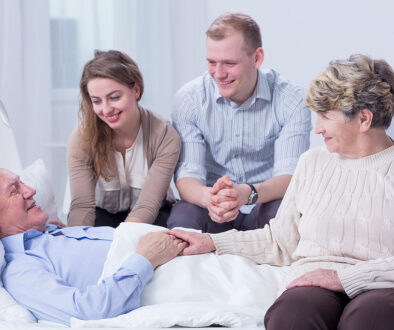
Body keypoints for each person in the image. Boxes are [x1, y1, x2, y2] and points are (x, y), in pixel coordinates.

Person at [168, 54, 394, 329]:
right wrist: (214, 243)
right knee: (291, 314)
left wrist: (343, 278)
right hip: (313, 282)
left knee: (369, 318)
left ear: (364, 119)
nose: (317, 127)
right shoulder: (312, 162)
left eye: (325, 116)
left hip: (382, 285)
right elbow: (280, 241)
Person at [167, 11, 311, 233]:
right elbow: (188, 176)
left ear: (257, 58)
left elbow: (290, 176)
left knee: (286, 215)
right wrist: (209, 199)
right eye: (212, 62)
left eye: (229, 63)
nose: (219, 74)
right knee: (183, 217)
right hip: (212, 206)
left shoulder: (291, 99)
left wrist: (246, 193)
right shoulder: (189, 99)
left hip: (264, 200)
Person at [0, 168, 186, 325]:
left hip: (191, 251)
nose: (30, 190)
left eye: (22, 182)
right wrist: (144, 260)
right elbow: (86, 313)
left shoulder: (53, 232)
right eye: (14, 191)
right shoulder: (20, 270)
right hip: (181, 279)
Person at [67, 50, 180, 227]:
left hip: (153, 216)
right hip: (101, 215)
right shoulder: (81, 137)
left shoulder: (164, 135)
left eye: (114, 97)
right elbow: (82, 207)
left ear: (135, 90)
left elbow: (147, 206)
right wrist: (76, 244)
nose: (106, 109)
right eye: (97, 101)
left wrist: (122, 243)